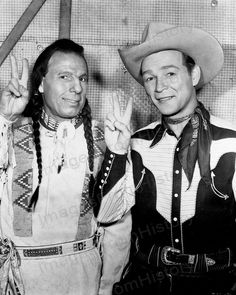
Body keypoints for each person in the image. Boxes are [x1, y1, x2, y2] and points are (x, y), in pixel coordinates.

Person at [94, 22, 236, 294]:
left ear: (193, 75)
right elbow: (106, 214)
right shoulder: (135, 143)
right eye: (149, 78)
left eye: (170, 73)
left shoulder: (231, 143)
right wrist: (117, 151)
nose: (159, 87)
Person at [0, 38, 132, 295]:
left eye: (82, 79)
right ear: (40, 83)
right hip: (21, 278)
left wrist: (107, 287)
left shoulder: (105, 139)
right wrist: (5, 118)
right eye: (64, 76)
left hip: (82, 277)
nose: (76, 87)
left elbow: (116, 226)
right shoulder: (12, 133)